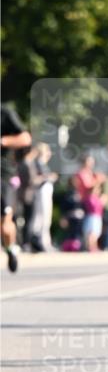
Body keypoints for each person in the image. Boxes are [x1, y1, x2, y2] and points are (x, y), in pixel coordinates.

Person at [1, 103, 31, 271]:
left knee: (5, 221)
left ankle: (10, 248)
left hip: (2, 174)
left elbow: (25, 138)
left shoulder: (5, 112)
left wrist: (3, 141)